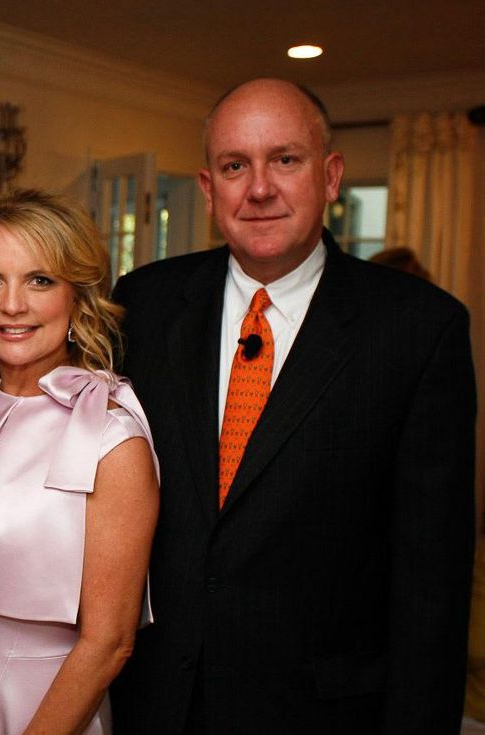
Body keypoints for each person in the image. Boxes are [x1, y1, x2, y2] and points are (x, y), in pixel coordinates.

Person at [110, 79, 476, 734]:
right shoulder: (143, 306)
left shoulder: (418, 330)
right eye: (234, 166)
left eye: (285, 159)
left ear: (331, 176)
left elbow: (431, 590)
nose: (258, 188)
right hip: (154, 703)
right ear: (207, 187)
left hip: (320, 712)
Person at [0, 189, 160, 734]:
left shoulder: (113, 436)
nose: (11, 304)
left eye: (40, 280)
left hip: (49, 709)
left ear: (77, 298)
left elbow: (109, 642)